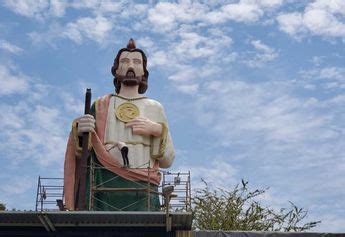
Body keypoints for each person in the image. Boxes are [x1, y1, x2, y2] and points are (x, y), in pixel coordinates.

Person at [64, 39, 175, 211]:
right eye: (124, 61)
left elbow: (167, 160)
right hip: (103, 186)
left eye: (137, 62)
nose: (130, 65)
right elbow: (84, 152)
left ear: (144, 72)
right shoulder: (100, 105)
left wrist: (157, 130)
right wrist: (80, 132)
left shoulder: (155, 107)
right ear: (116, 70)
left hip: (143, 189)